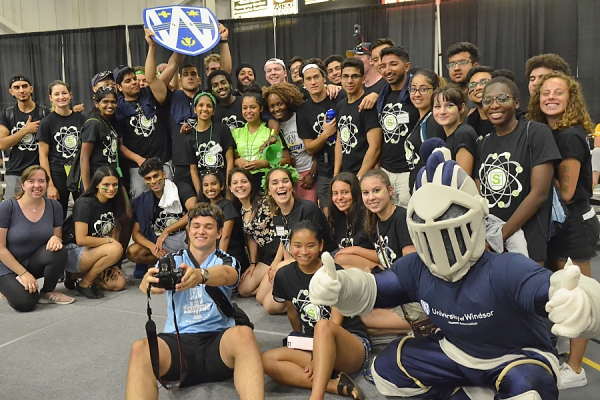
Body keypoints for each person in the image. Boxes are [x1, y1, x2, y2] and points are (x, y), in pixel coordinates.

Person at [309, 151, 600, 399]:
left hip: (513, 357)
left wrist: (581, 302)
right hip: (454, 351)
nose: (442, 240)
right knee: (386, 369)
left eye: (449, 225)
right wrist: (341, 286)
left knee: (528, 389)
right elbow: (375, 289)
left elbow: (550, 288)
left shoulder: (504, 269)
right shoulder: (416, 268)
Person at [125, 202, 264, 400]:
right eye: (196, 226)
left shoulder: (226, 260)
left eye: (208, 227)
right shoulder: (170, 260)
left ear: (219, 233)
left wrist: (201, 275)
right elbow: (150, 282)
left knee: (244, 334)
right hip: (178, 344)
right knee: (140, 348)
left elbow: (228, 275)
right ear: (188, 231)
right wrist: (148, 284)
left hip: (218, 342)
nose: (201, 231)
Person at [528, 71, 600, 389]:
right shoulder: (547, 131)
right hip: (558, 225)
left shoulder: (569, 135)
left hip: (575, 226)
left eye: (559, 92)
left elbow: (567, 192)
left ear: (571, 98)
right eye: (546, 93)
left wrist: (537, 172)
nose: (551, 97)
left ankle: (576, 367)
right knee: (559, 292)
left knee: (577, 296)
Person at [262, 221, 370, 400]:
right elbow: (292, 312)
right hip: (314, 345)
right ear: (289, 246)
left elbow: (334, 322)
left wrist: (315, 358)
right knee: (265, 361)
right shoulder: (284, 275)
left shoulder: (334, 272)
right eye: (297, 246)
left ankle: (316, 396)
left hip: (350, 345)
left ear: (320, 245)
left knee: (323, 326)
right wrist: (298, 342)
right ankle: (335, 386)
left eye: (310, 245)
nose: (303, 252)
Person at [476, 77, 561, 264]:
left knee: (526, 292)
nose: (494, 105)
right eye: (488, 101)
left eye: (502, 98)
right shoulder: (483, 143)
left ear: (516, 103)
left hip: (528, 242)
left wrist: (501, 235)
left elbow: (539, 194)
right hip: (491, 244)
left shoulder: (536, 133)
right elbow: (478, 192)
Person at [258, 166, 336, 314]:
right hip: (296, 258)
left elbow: (313, 250)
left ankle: (304, 300)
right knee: (261, 297)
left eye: (285, 181)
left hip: (319, 259)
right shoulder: (277, 214)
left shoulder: (308, 209)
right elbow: (285, 239)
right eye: (274, 183)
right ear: (269, 191)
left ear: (292, 186)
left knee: (270, 307)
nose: (280, 185)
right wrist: (276, 262)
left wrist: (284, 268)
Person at [0, 166, 73, 311]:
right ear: (23, 185)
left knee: (59, 251)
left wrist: (56, 239)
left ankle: (47, 292)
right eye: (31, 181)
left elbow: (57, 236)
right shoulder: (8, 207)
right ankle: (6, 286)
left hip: (33, 261)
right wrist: (23, 273)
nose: (37, 185)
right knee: (25, 303)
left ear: (47, 184)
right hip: (7, 265)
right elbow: (0, 248)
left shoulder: (54, 206)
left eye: (41, 181)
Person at [113, 29, 173, 199]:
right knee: (141, 206)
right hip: (138, 168)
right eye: (128, 81)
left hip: (164, 162)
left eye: (134, 78)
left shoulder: (150, 93)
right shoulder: (118, 109)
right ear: (119, 87)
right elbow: (120, 145)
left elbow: (152, 76)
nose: (134, 82)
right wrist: (140, 160)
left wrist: (152, 46)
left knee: (171, 204)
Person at [127, 158, 197, 278]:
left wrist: (167, 230)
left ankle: (193, 267)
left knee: (191, 226)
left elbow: (195, 212)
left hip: (186, 238)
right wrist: (152, 247)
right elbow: (136, 233)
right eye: (148, 178)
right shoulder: (143, 200)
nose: (153, 181)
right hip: (163, 242)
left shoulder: (181, 188)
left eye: (156, 176)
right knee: (132, 252)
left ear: (164, 175)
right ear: (144, 181)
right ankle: (171, 264)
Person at [64, 167, 127, 298]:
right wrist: (110, 243)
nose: (111, 189)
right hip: (74, 251)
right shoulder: (85, 204)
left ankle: (75, 275)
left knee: (119, 284)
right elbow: (81, 239)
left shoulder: (113, 201)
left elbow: (114, 230)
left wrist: (113, 262)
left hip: (95, 251)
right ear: (97, 184)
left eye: (115, 185)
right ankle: (85, 283)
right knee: (115, 249)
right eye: (106, 185)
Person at [376, 46, 420, 206]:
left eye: (393, 64)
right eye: (383, 66)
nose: (388, 70)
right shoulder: (381, 95)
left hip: (408, 172)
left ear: (406, 66)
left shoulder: (417, 94)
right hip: (386, 170)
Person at [296, 59, 340, 216]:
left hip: (348, 165)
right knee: (328, 216)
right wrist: (325, 134)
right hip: (324, 170)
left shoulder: (338, 97)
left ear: (324, 78)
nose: (313, 82)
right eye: (308, 79)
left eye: (316, 77)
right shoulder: (303, 110)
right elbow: (309, 147)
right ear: (304, 83)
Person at [37, 80, 86, 216]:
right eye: (56, 94)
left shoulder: (81, 119)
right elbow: (43, 155)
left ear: (70, 95)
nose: (61, 97)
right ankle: (58, 237)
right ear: (51, 98)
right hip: (57, 172)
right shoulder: (46, 122)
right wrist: (50, 185)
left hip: (79, 171)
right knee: (57, 212)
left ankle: (81, 237)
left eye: (64, 93)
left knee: (83, 209)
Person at [228, 167, 280, 298]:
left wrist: (276, 262)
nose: (239, 186)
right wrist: (253, 263)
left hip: (280, 249)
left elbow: (284, 229)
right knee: (244, 289)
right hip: (267, 254)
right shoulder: (240, 210)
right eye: (235, 183)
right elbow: (251, 237)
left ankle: (276, 286)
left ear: (250, 183)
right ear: (230, 188)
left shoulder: (265, 201)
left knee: (261, 297)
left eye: (243, 181)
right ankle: (275, 286)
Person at [264, 83, 318, 202]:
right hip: (287, 179)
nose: (276, 109)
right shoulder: (272, 127)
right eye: (271, 106)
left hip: (307, 175)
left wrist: (312, 174)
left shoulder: (301, 118)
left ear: (288, 102)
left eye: (280, 104)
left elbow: (317, 149)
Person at [231, 85, 290, 189]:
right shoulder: (236, 133)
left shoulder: (270, 132)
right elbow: (234, 158)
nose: (248, 111)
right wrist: (238, 161)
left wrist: (263, 163)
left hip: (266, 181)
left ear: (261, 108)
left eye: (253, 107)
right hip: (243, 183)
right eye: (244, 108)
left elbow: (286, 160)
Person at [0, 75, 49, 199]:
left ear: (31, 88)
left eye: (24, 86)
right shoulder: (7, 114)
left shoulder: (44, 113)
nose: (21, 90)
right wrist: (25, 130)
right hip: (15, 172)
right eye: (17, 87)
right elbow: (2, 144)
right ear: (11, 92)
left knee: (40, 211)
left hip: (39, 171)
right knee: (11, 211)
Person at [177, 91, 235, 193]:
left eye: (209, 106)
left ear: (214, 111)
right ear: (195, 109)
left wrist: (228, 187)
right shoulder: (189, 136)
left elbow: (230, 159)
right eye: (201, 105)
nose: (204, 109)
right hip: (205, 186)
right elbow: (193, 169)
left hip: (222, 183)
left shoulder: (222, 129)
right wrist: (201, 193)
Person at [334, 58, 382, 179]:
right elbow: (340, 141)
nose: (349, 81)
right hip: (346, 174)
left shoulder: (368, 105)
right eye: (345, 76)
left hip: (366, 175)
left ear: (363, 79)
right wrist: (336, 174)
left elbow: (375, 147)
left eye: (354, 76)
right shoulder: (341, 105)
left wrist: (359, 177)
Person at [197, 170, 250, 274]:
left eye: (214, 184)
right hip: (211, 255)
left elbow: (225, 237)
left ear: (221, 186)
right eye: (206, 185)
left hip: (229, 256)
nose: (210, 188)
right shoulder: (204, 208)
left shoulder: (227, 205)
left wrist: (219, 262)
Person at [403, 69, 446, 192]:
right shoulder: (422, 119)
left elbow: (436, 162)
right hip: (418, 188)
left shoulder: (433, 121)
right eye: (413, 89)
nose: (417, 94)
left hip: (428, 191)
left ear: (436, 90)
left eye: (423, 89)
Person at [328, 173, 377, 271]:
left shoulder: (368, 217)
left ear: (355, 193)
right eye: (335, 193)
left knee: (339, 260)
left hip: (376, 268)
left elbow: (383, 255)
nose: (339, 197)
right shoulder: (337, 218)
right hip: (353, 270)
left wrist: (354, 250)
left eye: (345, 192)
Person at [432, 85, 478, 176]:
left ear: (462, 108)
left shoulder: (463, 134)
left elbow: (463, 180)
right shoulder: (447, 135)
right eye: (437, 106)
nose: (442, 112)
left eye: (449, 106)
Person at [80, 87, 120, 191]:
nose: (110, 105)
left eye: (113, 102)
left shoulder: (108, 122)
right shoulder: (93, 124)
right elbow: (84, 158)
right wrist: (87, 189)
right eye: (105, 102)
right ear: (96, 104)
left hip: (110, 177)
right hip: (96, 179)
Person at [465, 65, 494, 139]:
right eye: (473, 85)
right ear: (468, 94)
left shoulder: (510, 118)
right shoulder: (469, 122)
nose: (478, 88)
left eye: (484, 82)